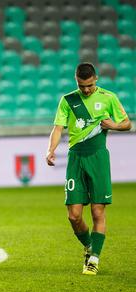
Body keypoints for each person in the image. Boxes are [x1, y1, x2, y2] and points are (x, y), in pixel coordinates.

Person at [46, 62, 131, 276]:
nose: (86, 90)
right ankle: (89, 246)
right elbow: (58, 127)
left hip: (98, 157)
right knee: (74, 215)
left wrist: (114, 125)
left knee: (97, 210)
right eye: (82, 86)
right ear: (76, 81)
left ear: (96, 79)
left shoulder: (108, 97)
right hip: (76, 158)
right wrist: (51, 150)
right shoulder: (68, 100)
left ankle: (94, 259)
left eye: (90, 85)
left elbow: (127, 123)